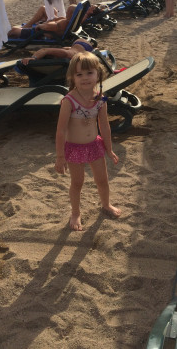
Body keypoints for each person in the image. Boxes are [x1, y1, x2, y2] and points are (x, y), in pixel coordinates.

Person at [55, 51, 121, 231]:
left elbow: (104, 125)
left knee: (102, 180)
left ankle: (106, 204)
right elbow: (61, 130)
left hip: (94, 146)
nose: (85, 78)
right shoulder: (68, 101)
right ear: (72, 77)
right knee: (77, 182)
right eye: (79, 74)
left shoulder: (101, 98)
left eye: (89, 73)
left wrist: (109, 149)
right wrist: (60, 156)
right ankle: (75, 213)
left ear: (98, 74)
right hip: (74, 148)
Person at [7, 3, 101, 39]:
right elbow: (56, 23)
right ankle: (26, 26)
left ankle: (24, 27)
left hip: (40, 33)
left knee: (13, 30)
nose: (66, 12)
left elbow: (49, 27)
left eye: (68, 11)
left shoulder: (65, 22)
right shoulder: (70, 20)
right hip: (46, 30)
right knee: (46, 9)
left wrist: (40, 25)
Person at [20, 38, 95, 65]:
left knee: (68, 50)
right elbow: (45, 50)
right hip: (83, 46)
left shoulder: (64, 54)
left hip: (82, 45)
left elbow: (44, 50)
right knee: (68, 50)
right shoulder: (64, 54)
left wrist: (34, 58)